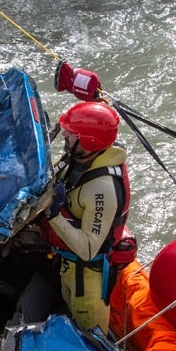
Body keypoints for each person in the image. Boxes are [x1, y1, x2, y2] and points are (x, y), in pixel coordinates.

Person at [41, 102, 137, 333]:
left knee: (90, 338)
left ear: (89, 141)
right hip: (67, 265)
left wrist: (53, 215)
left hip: (87, 279)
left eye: (71, 134)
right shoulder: (81, 157)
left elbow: (88, 249)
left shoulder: (102, 187)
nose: (65, 134)